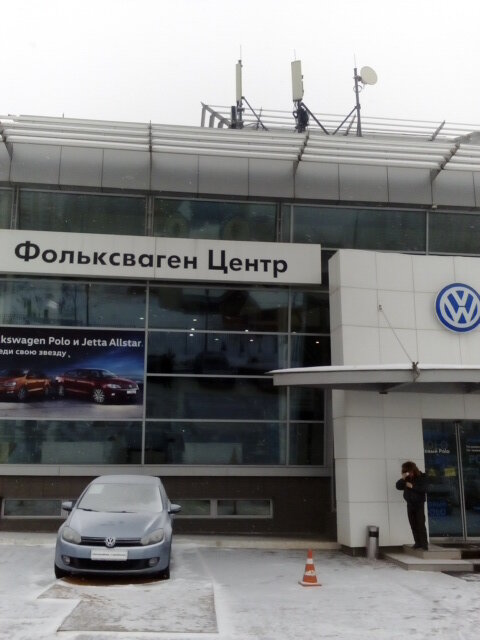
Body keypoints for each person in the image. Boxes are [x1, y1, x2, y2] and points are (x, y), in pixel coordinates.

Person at [396, 461, 429, 550]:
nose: (408, 474)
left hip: (419, 504)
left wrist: (412, 486)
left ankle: (424, 544)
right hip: (410, 504)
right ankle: (417, 543)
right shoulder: (406, 479)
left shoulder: (422, 477)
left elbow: (425, 489)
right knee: (413, 524)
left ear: (413, 470)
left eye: (409, 471)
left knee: (421, 524)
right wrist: (403, 479)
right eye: (406, 472)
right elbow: (398, 486)